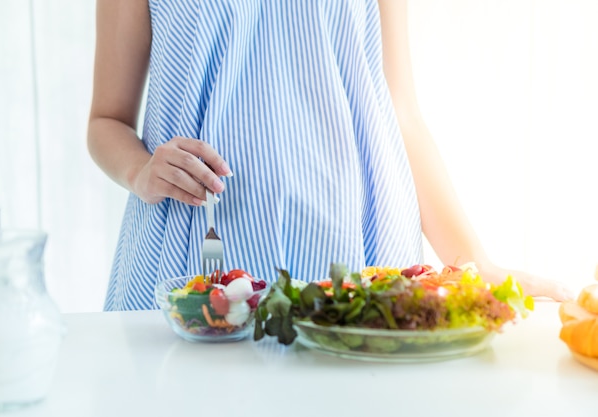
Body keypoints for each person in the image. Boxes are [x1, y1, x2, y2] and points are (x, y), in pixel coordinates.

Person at [88, 0, 573, 311]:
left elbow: (398, 111)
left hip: (356, 251)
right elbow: (105, 120)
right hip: (194, 253)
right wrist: (139, 170)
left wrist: (474, 263)